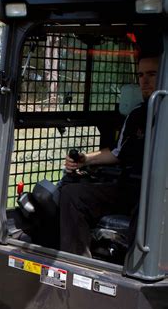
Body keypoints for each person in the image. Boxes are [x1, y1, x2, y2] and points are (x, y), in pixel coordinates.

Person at [59, 55, 159, 257]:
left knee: (148, 208)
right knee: (71, 194)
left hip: (157, 194)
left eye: (151, 74)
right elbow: (117, 153)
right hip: (129, 187)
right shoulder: (136, 115)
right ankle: (78, 267)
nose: (144, 80)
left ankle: (135, 271)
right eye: (140, 75)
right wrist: (85, 159)